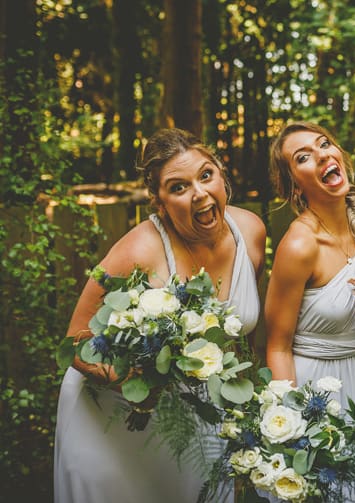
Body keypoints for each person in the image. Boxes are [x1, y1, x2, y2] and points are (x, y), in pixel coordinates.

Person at [54, 128, 266, 503]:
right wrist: (138, 385)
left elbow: (238, 334)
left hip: (198, 420)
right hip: (114, 426)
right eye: (179, 187)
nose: (199, 193)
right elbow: (77, 339)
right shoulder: (139, 250)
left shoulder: (250, 232)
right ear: (159, 202)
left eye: (205, 175)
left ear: (220, 173)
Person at [265, 121, 355, 503]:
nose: (321, 155)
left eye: (324, 145)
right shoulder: (300, 245)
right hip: (313, 389)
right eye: (303, 157)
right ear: (293, 185)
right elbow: (276, 347)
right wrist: (294, 427)